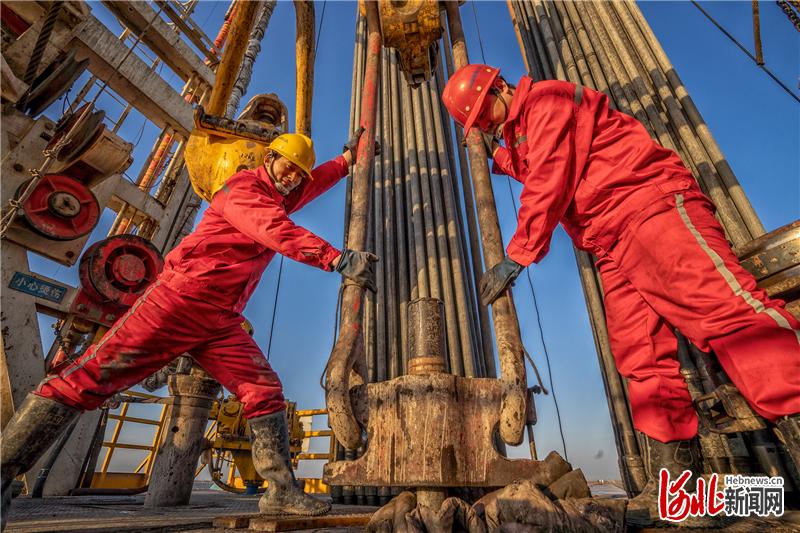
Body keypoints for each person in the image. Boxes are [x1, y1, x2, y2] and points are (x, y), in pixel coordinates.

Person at [442, 64, 800, 520]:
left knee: (727, 317)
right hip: (608, 241)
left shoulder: (547, 100)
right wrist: (496, 156)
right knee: (639, 353)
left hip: (647, 206)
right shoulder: (526, 127)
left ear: (499, 87)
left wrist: (519, 253)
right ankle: (678, 488)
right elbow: (534, 162)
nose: (489, 127)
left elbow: (549, 173)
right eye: (481, 127)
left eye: (486, 118)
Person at [1, 128, 378, 524]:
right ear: (269, 158)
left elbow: (306, 189)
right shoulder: (244, 190)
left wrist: (345, 162)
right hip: (178, 302)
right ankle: (4, 472)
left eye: (298, 174)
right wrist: (336, 259)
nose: (293, 178)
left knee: (263, 389)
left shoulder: (277, 194)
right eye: (288, 168)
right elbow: (276, 231)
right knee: (89, 379)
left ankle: (281, 491)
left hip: (220, 318)